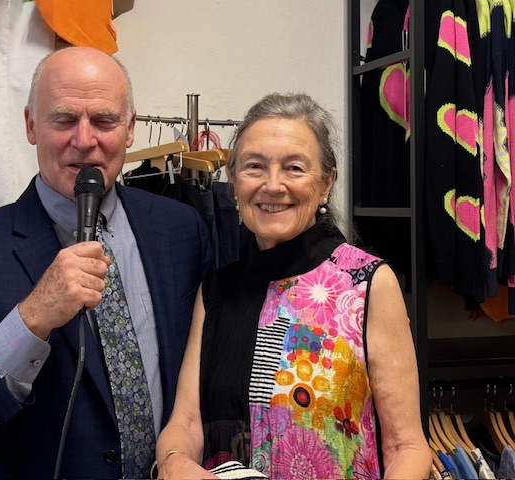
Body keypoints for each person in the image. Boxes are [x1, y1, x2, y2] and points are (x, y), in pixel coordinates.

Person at [0, 46, 214, 479]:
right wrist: (31, 319)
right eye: (65, 119)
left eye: (104, 121)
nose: (85, 140)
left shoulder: (179, 229)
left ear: (129, 129)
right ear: (32, 125)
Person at [154, 92, 432, 479]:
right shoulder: (217, 290)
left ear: (326, 183)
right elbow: (186, 422)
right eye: (254, 167)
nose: (273, 185)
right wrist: (172, 461)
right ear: (233, 180)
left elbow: (407, 446)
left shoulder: (366, 283)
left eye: (294, 168)